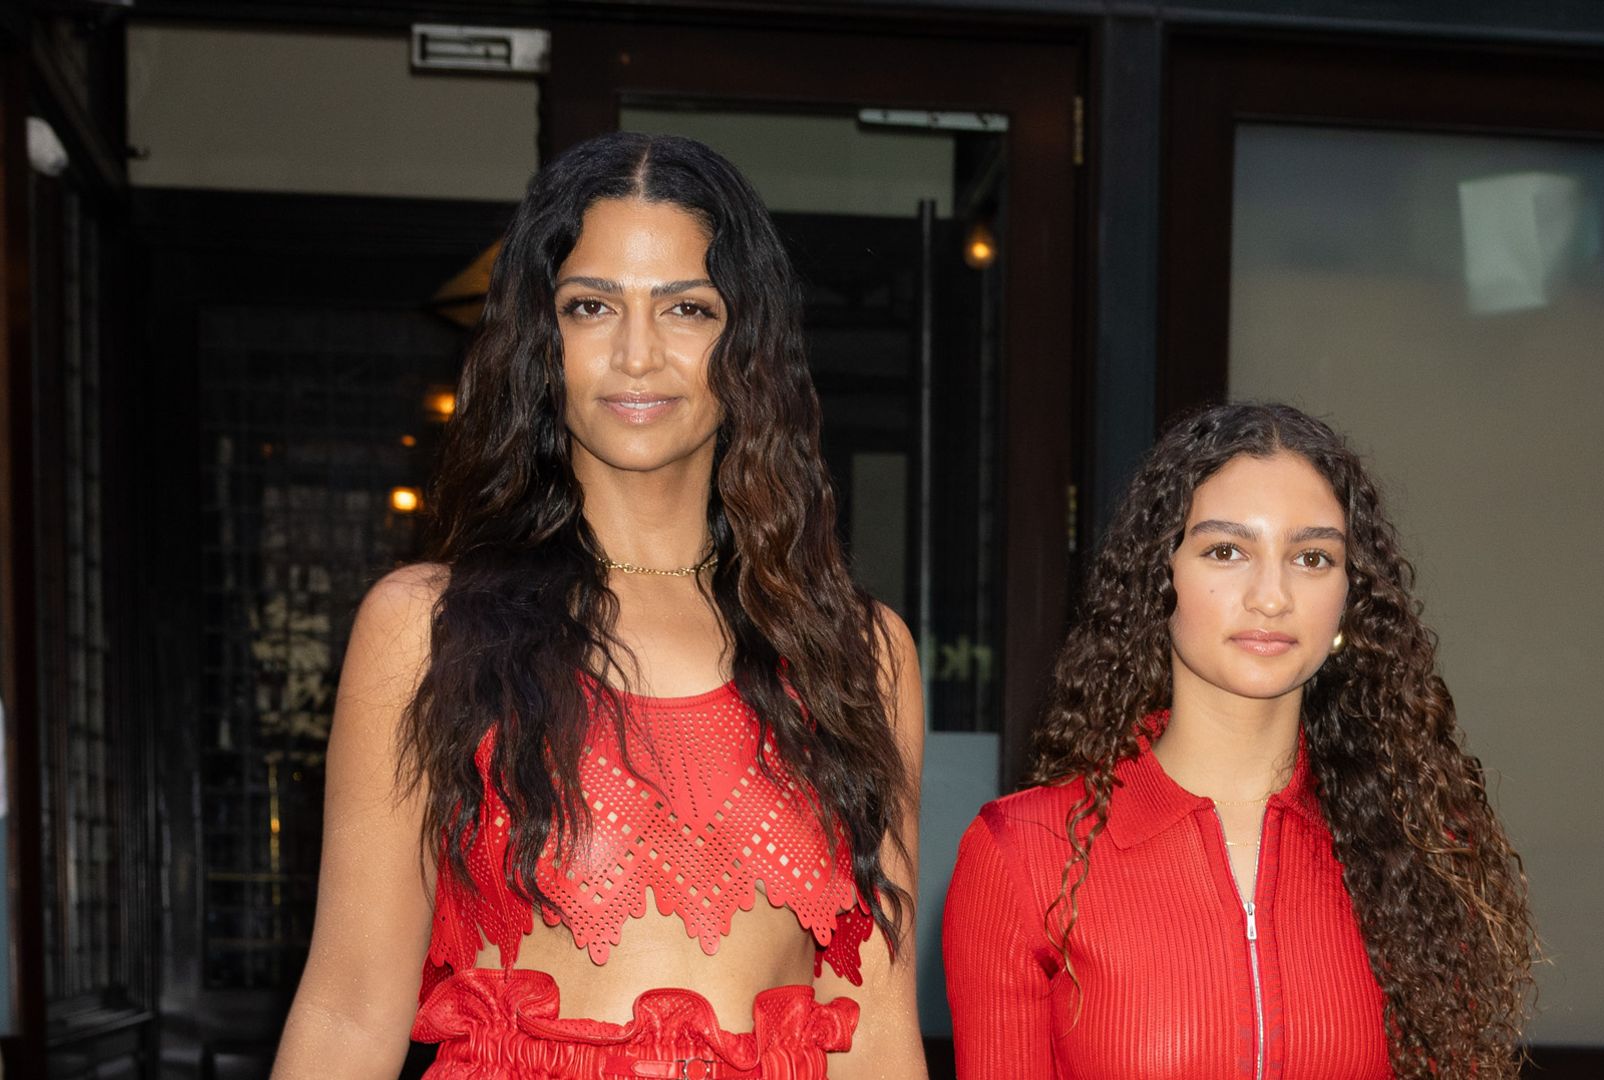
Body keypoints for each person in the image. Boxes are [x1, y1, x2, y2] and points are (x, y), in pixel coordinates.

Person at [272, 132, 928, 1080]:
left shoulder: (860, 655)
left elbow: (874, 1031)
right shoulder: (425, 629)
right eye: (590, 306)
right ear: (542, 342)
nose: (637, 353)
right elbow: (348, 1011)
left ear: (748, 344)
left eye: (687, 309)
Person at [943, 402, 1534, 1079]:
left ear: (1349, 598)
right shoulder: (1026, 855)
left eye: (1312, 557)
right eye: (1227, 551)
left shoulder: (1418, 847)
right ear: (1157, 578)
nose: (1272, 595)